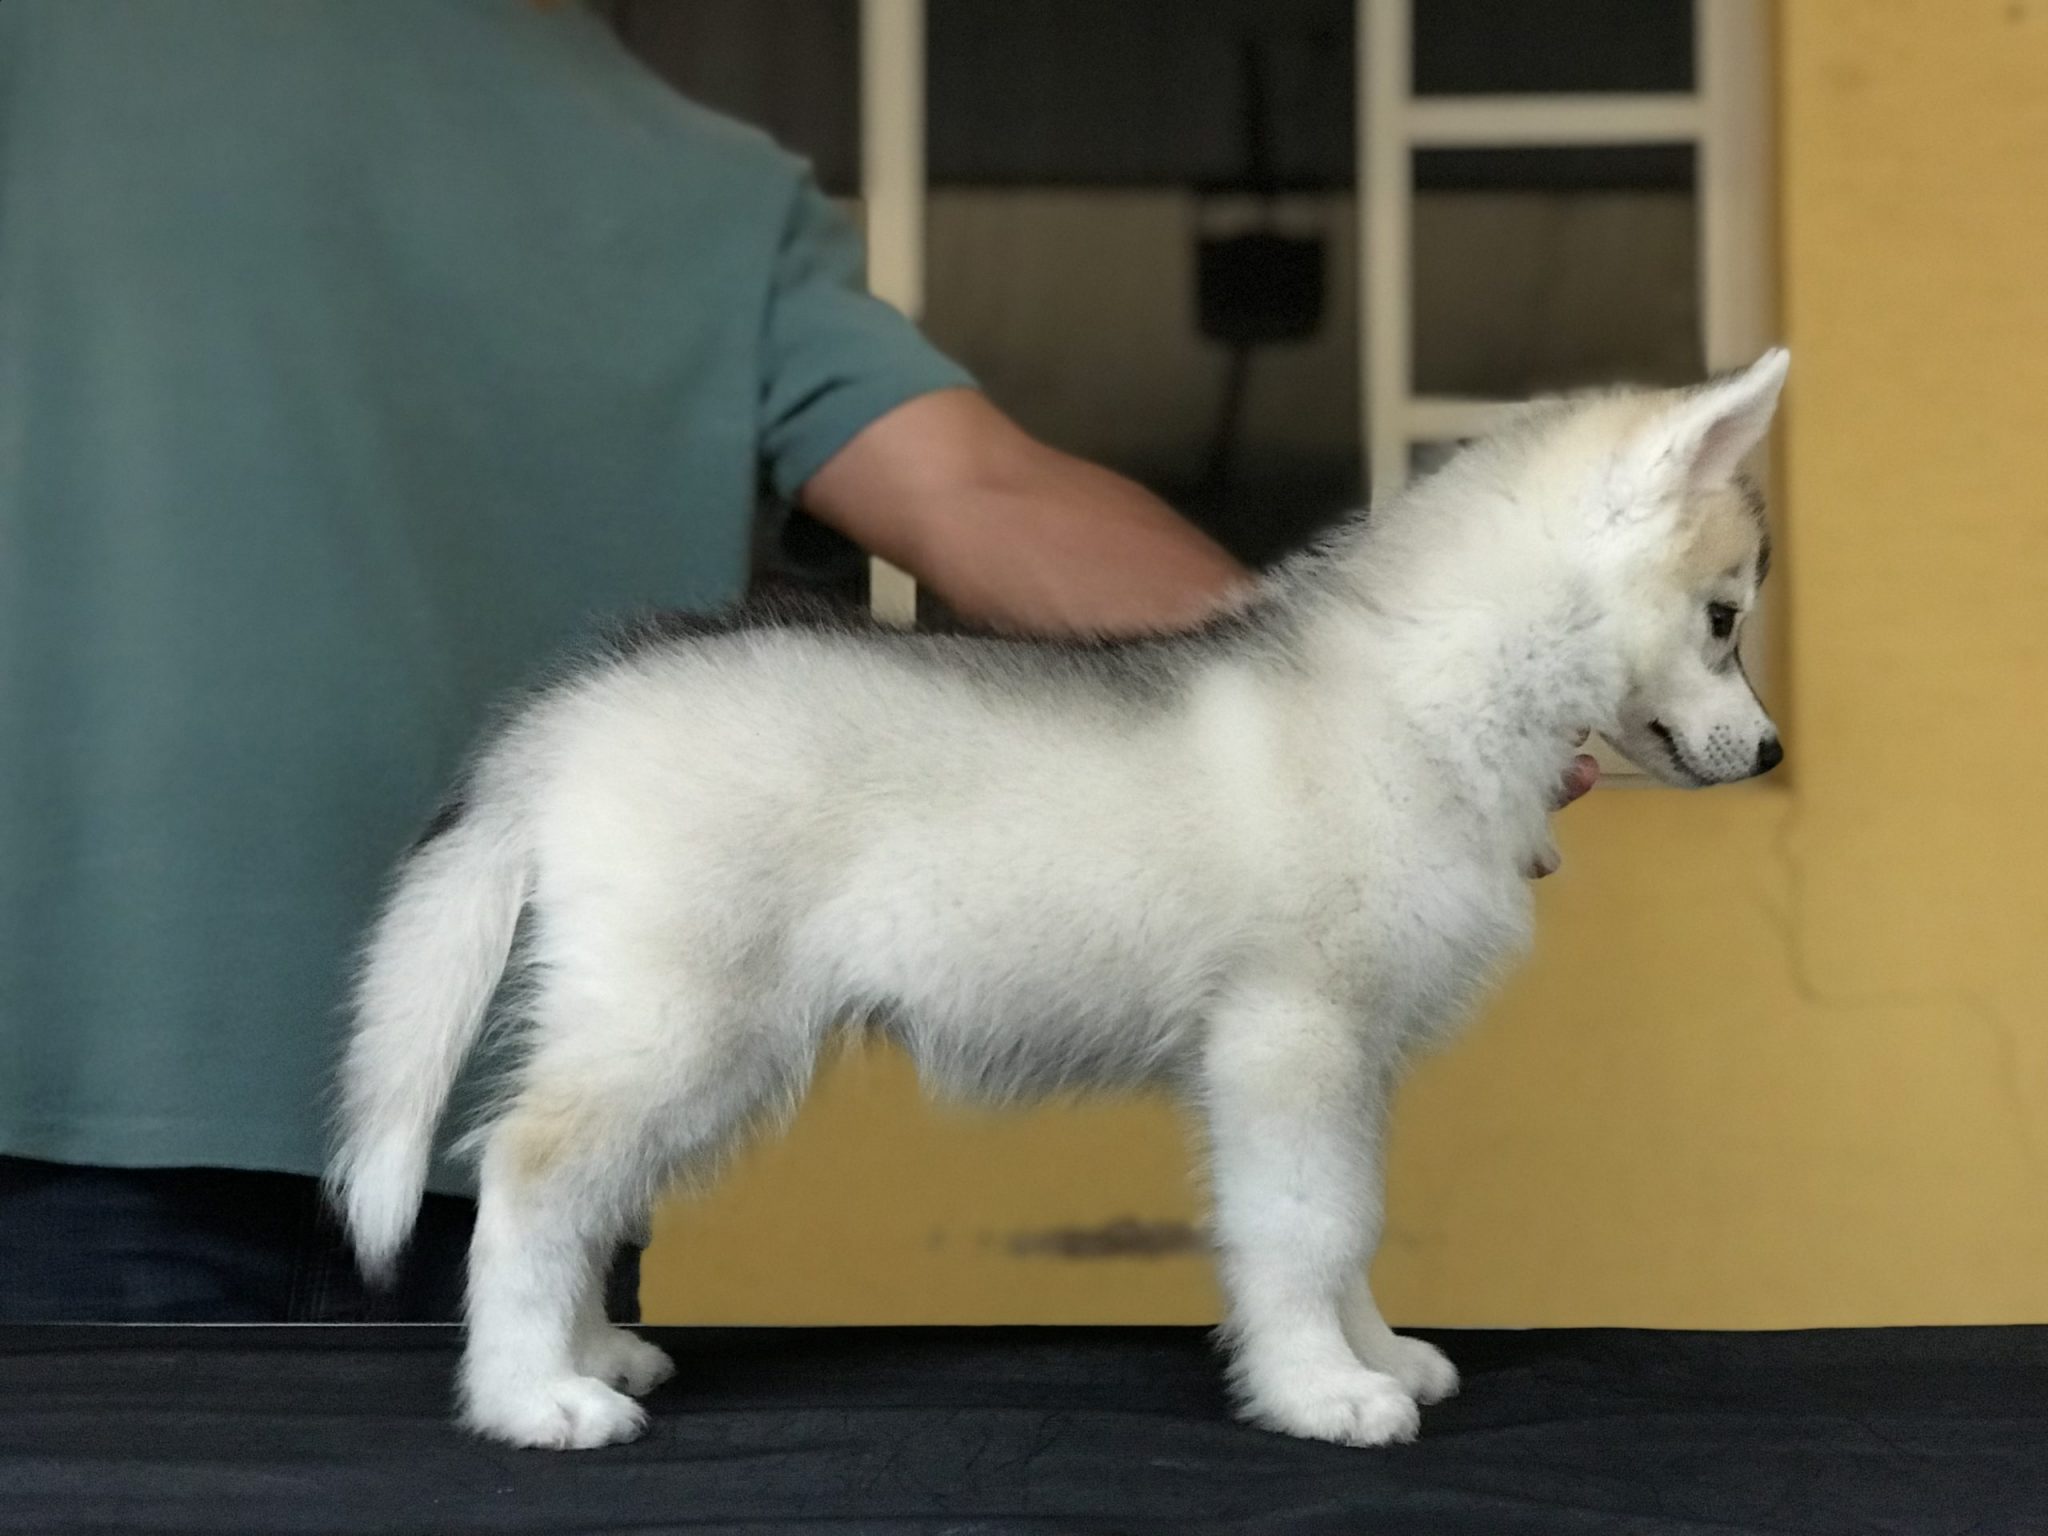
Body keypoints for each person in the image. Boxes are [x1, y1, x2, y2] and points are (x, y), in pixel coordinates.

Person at [0, 1, 1592, 1323]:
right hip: (508, 1123)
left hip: (99, 1080)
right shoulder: (691, 177)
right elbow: (983, 496)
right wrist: (1406, 721)